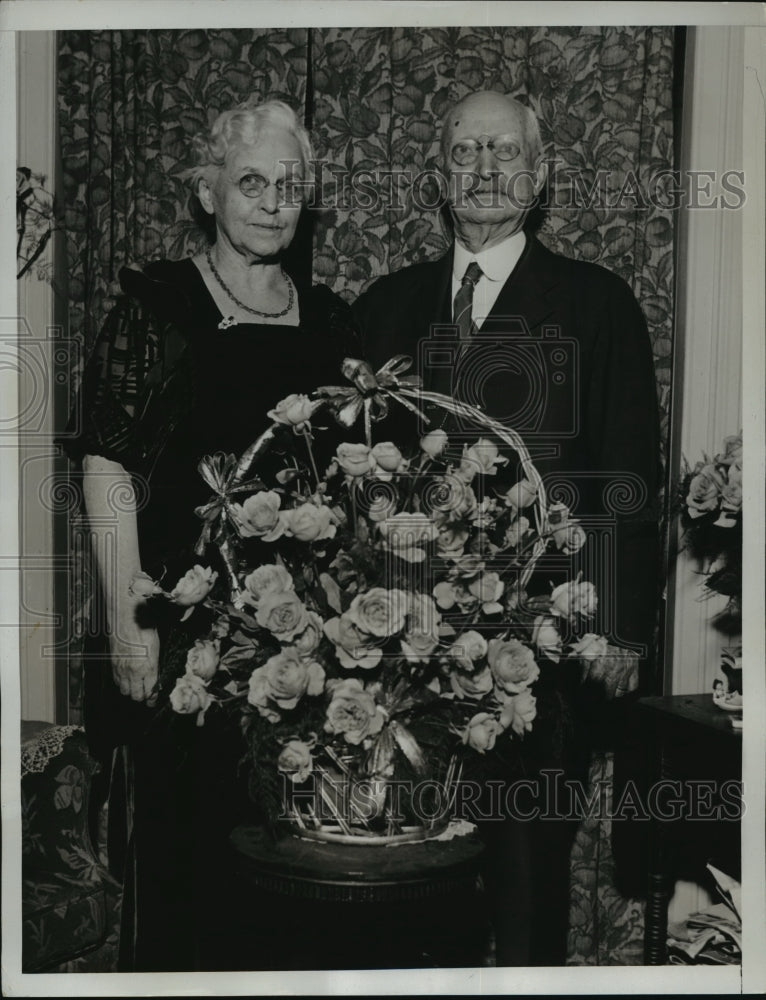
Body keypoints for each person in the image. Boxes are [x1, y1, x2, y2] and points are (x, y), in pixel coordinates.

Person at [352, 91, 661, 965]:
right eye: (465, 152)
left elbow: (629, 474)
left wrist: (618, 629)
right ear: (437, 174)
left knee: (527, 897)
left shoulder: (596, 303)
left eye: (505, 152)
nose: (484, 170)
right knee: (409, 899)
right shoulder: (384, 307)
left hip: (542, 660)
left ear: (541, 174)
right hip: (402, 661)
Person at [62, 99, 359, 971]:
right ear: (208, 192)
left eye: (289, 185)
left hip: (300, 648)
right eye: (251, 181)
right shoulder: (157, 308)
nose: (271, 202)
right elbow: (107, 464)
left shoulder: (331, 322)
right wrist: (129, 625)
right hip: (181, 642)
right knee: (187, 873)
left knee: (291, 882)